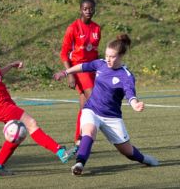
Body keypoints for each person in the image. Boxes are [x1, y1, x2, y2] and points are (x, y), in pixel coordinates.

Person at [0, 25, 75, 176]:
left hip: (4, 100)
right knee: (30, 123)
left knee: (17, 135)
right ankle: (60, 152)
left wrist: (11, 65)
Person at [53, 34, 159, 176]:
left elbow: (130, 94)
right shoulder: (101, 64)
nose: (108, 59)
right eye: (107, 55)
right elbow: (84, 66)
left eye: (112, 56)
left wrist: (135, 104)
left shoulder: (126, 75)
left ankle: (145, 159)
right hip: (92, 109)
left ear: (121, 56)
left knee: (127, 152)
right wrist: (65, 72)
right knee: (88, 132)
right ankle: (79, 163)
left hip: (112, 117)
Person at [59, 0, 101, 146]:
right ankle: (95, 135)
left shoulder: (97, 28)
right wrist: (70, 74)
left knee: (85, 106)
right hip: (79, 69)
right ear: (80, 10)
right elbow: (64, 53)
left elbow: (95, 53)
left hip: (92, 70)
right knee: (95, 100)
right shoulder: (73, 28)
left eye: (91, 8)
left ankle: (79, 139)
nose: (88, 11)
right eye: (85, 9)